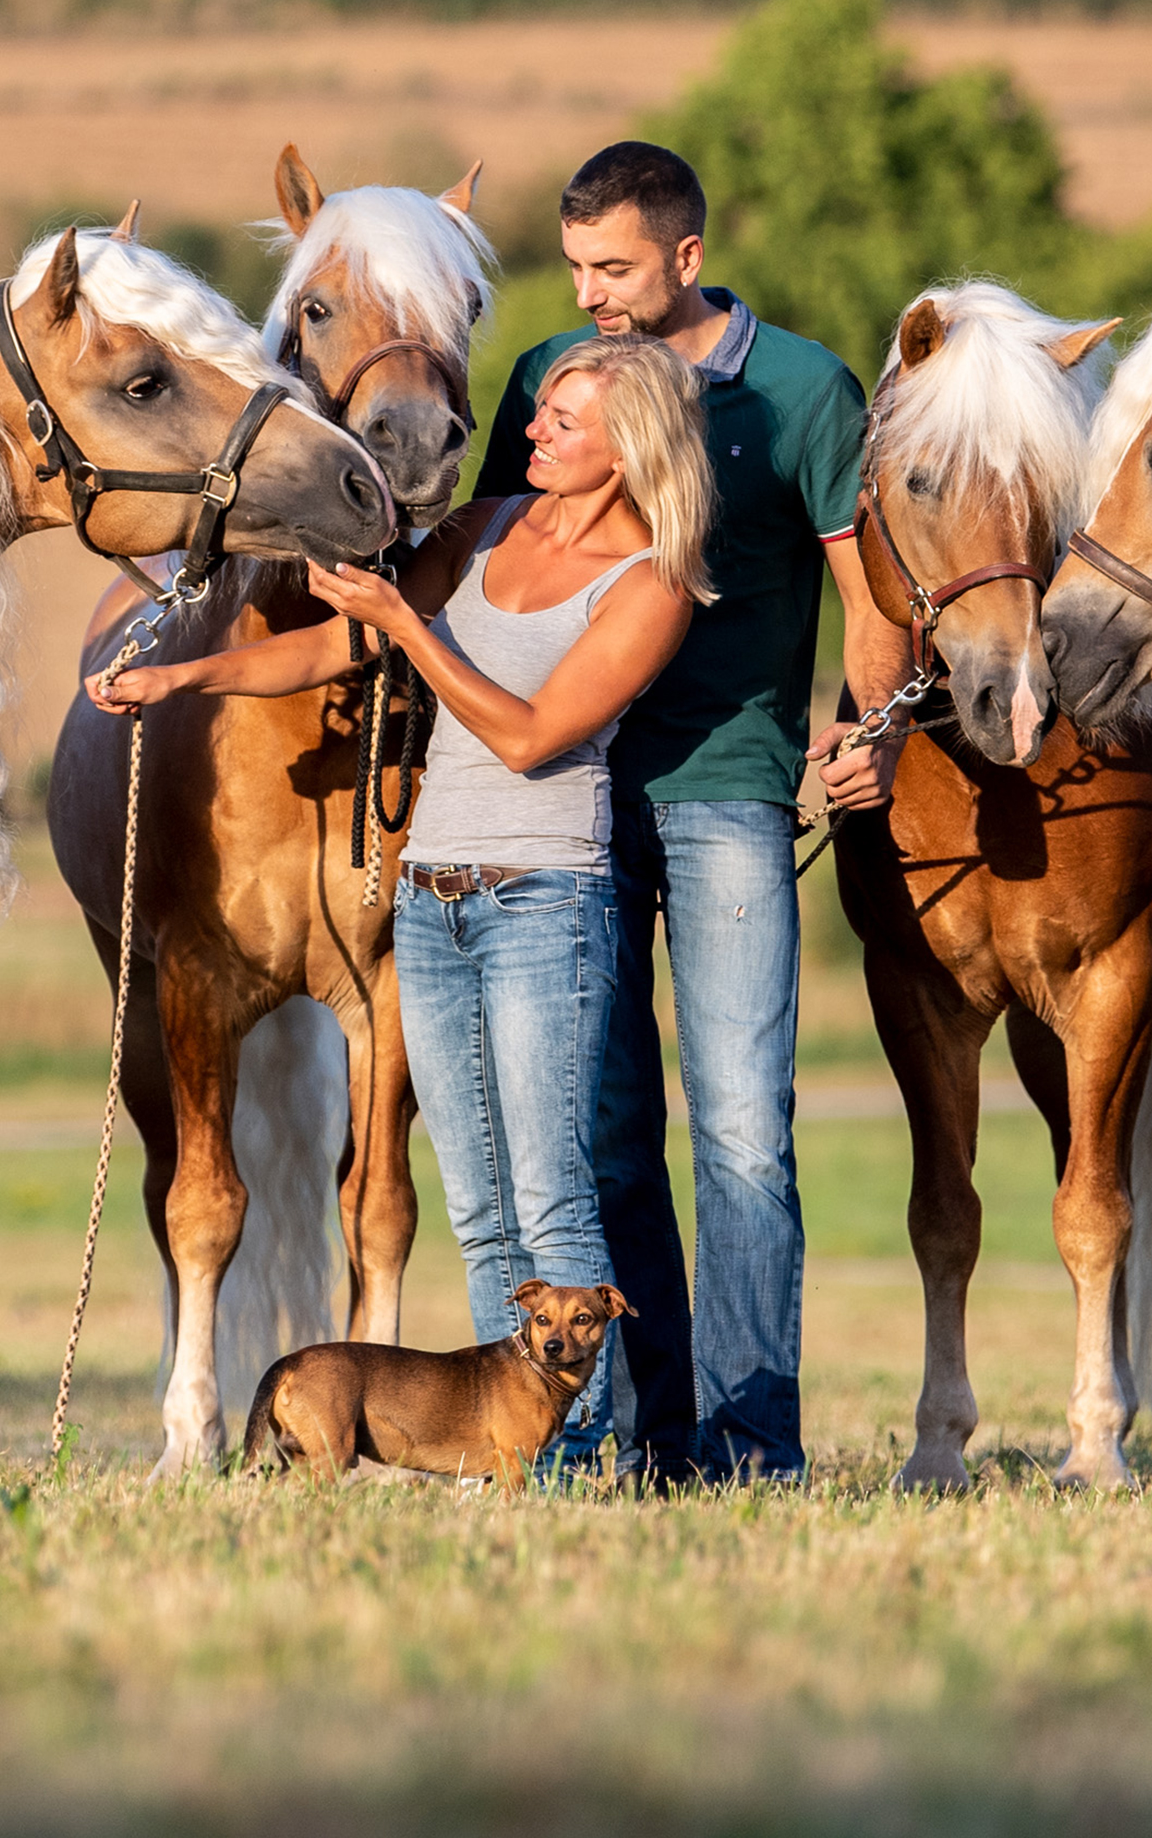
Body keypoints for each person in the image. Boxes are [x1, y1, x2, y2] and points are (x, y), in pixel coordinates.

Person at [91, 334, 717, 1468]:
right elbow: (341, 646)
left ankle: (574, 1460)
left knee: (553, 1194)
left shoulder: (653, 586)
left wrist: (407, 625)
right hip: (432, 902)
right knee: (477, 1201)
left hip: (544, 906)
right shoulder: (486, 530)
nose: (530, 431)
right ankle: (504, 1455)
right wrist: (183, 676)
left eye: (562, 423)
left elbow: (526, 736)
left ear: (628, 450)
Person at [471, 142, 907, 1483]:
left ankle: (753, 1442)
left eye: (615, 267)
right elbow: (495, 552)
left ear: (687, 257)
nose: (592, 295)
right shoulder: (555, 378)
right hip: (573, 799)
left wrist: (866, 722)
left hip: (729, 786)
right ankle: (655, 1435)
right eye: (577, 268)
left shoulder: (801, 389)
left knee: (740, 1133)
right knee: (603, 1130)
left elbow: (872, 592)